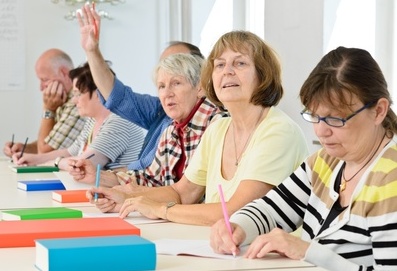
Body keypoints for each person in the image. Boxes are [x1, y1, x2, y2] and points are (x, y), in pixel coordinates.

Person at [85, 30, 309, 226]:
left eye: (240, 63)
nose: (227, 71)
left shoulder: (278, 131)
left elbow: (237, 212)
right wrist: (126, 199)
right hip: (219, 246)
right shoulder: (219, 128)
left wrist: (161, 209)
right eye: (220, 65)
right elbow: (182, 192)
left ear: (263, 76)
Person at [210, 47, 397, 270]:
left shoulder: (391, 178)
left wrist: (308, 252)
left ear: (378, 111)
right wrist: (237, 227)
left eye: (335, 119)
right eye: (315, 116)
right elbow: (271, 209)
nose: (321, 131)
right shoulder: (326, 162)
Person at [75, 4, 204, 176]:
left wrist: (114, 177)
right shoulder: (161, 109)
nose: (167, 90)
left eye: (177, 66)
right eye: (163, 69)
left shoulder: (210, 121)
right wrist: (91, 51)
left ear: (200, 78)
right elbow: (118, 97)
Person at [69, 53, 227, 187]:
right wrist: (98, 177)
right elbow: (151, 179)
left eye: (176, 83)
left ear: (200, 88)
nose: (167, 94)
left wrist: (140, 202)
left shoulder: (217, 124)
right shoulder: (172, 129)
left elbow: (186, 194)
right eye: (161, 86)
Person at [12, 62, 145, 171]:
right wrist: (33, 159)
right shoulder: (93, 119)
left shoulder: (118, 121)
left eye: (78, 94)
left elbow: (82, 165)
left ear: (99, 92)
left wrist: (57, 162)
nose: (74, 100)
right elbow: (71, 152)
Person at [3, 49, 85, 156]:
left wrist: (48, 109)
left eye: (45, 79)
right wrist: (23, 148)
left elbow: (45, 153)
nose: (41, 88)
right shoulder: (63, 99)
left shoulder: (77, 103)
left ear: (64, 73)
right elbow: (53, 142)